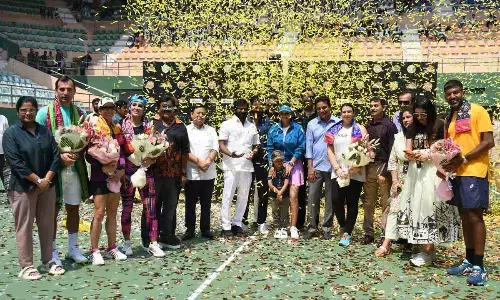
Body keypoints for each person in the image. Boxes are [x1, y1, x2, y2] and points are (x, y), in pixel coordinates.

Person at [3, 96, 64, 279]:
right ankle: (27, 266)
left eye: (31, 109)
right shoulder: (11, 133)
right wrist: (38, 181)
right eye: (23, 110)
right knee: (25, 226)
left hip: (47, 186)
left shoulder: (44, 131)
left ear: (36, 111)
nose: (27, 113)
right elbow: (15, 162)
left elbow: (55, 156)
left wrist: (47, 180)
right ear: (18, 112)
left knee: (46, 224)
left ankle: (47, 261)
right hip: (22, 187)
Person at [398, 95, 461, 267]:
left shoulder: (439, 125)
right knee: (416, 208)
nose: (420, 117)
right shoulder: (411, 127)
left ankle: (428, 249)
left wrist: (428, 154)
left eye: (423, 114)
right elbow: (407, 150)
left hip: (432, 171)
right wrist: (411, 154)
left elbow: (444, 148)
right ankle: (424, 247)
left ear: (430, 111)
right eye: (417, 114)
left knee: (430, 207)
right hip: (415, 173)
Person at [443, 80, 494, 286]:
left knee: (475, 216)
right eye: (449, 94)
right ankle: (469, 260)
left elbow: (488, 141)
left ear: (463, 92)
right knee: (464, 216)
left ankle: (480, 267)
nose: (453, 96)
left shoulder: (477, 110)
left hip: (474, 171)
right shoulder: (451, 117)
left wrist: (464, 159)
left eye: (456, 92)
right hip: (458, 174)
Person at [35, 76, 89, 265]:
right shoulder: (43, 113)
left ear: (74, 92)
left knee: (73, 209)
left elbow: (85, 143)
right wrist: (59, 157)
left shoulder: (81, 114)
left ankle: (73, 249)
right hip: (53, 171)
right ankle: (53, 251)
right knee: (53, 211)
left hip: (75, 170)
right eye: (62, 89)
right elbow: (39, 144)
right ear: (56, 91)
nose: (65, 93)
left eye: (69, 89)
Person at [119, 95, 165, 258]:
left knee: (151, 208)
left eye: (140, 105)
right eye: (134, 105)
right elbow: (118, 150)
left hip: (146, 171)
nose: (137, 108)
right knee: (127, 208)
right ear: (130, 107)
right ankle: (127, 244)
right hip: (128, 173)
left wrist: (152, 158)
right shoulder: (120, 126)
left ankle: (153, 243)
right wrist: (123, 168)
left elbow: (156, 148)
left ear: (144, 109)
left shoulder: (150, 127)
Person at [86, 98, 128, 265]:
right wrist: (103, 165)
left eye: (112, 108)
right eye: (106, 108)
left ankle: (112, 247)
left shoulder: (117, 128)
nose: (109, 111)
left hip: (115, 177)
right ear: (99, 110)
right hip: (99, 177)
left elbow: (123, 152)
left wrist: (121, 169)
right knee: (99, 213)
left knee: (112, 213)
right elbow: (88, 153)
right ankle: (95, 250)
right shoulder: (94, 128)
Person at [325, 103, 368, 246]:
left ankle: (347, 233)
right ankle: (344, 225)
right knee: (336, 200)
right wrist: (337, 168)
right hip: (338, 172)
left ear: (354, 113)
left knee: (352, 202)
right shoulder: (334, 129)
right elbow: (330, 150)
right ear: (340, 113)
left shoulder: (360, 129)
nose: (346, 114)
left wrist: (356, 167)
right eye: (344, 112)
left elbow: (366, 151)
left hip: (355, 172)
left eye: (349, 111)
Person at [150, 95, 189, 249]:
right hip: (154, 173)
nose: (166, 109)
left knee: (170, 207)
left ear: (175, 108)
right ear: (158, 108)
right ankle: (149, 238)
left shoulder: (180, 126)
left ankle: (167, 236)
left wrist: (183, 172)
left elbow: (185, 152)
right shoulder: (152, 124)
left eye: (169, 107)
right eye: (163, 106)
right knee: (153, 206)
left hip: (173, 174)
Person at [375, 106, 413, 257]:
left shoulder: (421, 136)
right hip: (401, 179)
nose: (406, 120)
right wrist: (395, 180)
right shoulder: (398, 137)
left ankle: (414, 244)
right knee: (394, 210)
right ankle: (386, 243)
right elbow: (392, 161)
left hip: (417, 177)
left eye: (409, 117)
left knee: (414, 211)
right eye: (403, 118)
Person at [218, 99, 259, 237]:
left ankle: (237, 223)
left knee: (243, 196)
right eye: (240, 108)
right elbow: (221, 144)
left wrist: (253, 152)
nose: (243, 111)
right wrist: (231, 154)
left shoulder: (251, 126)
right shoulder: (227, 124)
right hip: (231, 166)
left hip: (246, 167)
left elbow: (256, 145)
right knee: (228, 195)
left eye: (245, 109)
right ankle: (226, 225)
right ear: (234, 109)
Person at [267, 104, 306, 239]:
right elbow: (270, 148)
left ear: (290, 114)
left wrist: (291, 162)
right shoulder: (273, 129)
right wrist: (271, 165)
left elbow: (301, 146)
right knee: (280, 197)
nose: (284, 116)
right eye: (282, 113)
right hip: (277, 166)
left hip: (294, 164)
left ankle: (293, 226)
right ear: (279, 115)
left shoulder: (298, 128)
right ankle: (281, 226)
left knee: (293, 196)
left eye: (287, 113)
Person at [363, 97, 398, 245]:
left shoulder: (389, 125)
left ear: (383, 107)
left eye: (376, 105)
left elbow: (392, 150)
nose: (373, 108)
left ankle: (385, 234)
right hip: (369, 167)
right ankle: (368, 233)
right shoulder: (367, 126)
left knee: (386, 204)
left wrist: (385, 172)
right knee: (368, 202)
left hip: (384, 167)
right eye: (371, 105)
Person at [304, 96, 340, 240]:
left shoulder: (338, 122)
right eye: (319, 108)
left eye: (324, 107)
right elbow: (309, 146)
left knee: (330, 200)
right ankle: (312, 227)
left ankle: (326, 228)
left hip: (333, 167)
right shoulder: (312, 124)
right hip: (316, 167)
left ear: (330, 107)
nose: (322, 111)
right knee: (313, 198)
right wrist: (310, 167)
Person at [183, 104, 218, 240]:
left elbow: (215, 148)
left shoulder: (211, 130)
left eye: (203, 113)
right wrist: (199, 161)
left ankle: (205, 229)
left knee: (206, 203)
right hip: (192, 172)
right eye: (197, 113)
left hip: (208, 172)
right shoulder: (185, 130)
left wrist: (208, 161)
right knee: (190, 203)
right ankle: (189, 229)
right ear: (192, 114)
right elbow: (185, 151)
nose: (200, 116)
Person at [243, 96, 273, 234]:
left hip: (262, 162)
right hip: (246, 161)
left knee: (263, 192)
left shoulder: (269, 121)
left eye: (260, 106)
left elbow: (270, 141)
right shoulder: (245, 121)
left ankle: (261, 221)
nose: (257, 108)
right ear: (251, 106)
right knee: (245, 191)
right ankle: (241, 220)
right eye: (255, 105)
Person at [295, 90, 317, 230]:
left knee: (315, 193)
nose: (308, 99)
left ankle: (315, 223)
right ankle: (299, 222)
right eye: (305, 97)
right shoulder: (296, 115)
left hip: (317, 158)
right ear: (301, 99)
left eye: (310, 97)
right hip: (299, 158)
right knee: (300, 191)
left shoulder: (319, 115)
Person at [268, 150, 290, 239]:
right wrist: (277, 192)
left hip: (284, 195)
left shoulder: (286, 170)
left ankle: (284, 228)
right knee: (275, 211)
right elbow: (270, 184)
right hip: (274, 195)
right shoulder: (270, 171)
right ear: (273, 162)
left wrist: (281, 193)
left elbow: (286, 183)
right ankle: (277, 227)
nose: (279, 163)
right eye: (277, 161)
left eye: (281, 160)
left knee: (284, 211)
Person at [0, 113, 9, 191]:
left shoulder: (3, 118)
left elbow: (7, 135)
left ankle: (9, 195)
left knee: (5, 175)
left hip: (2, 154)